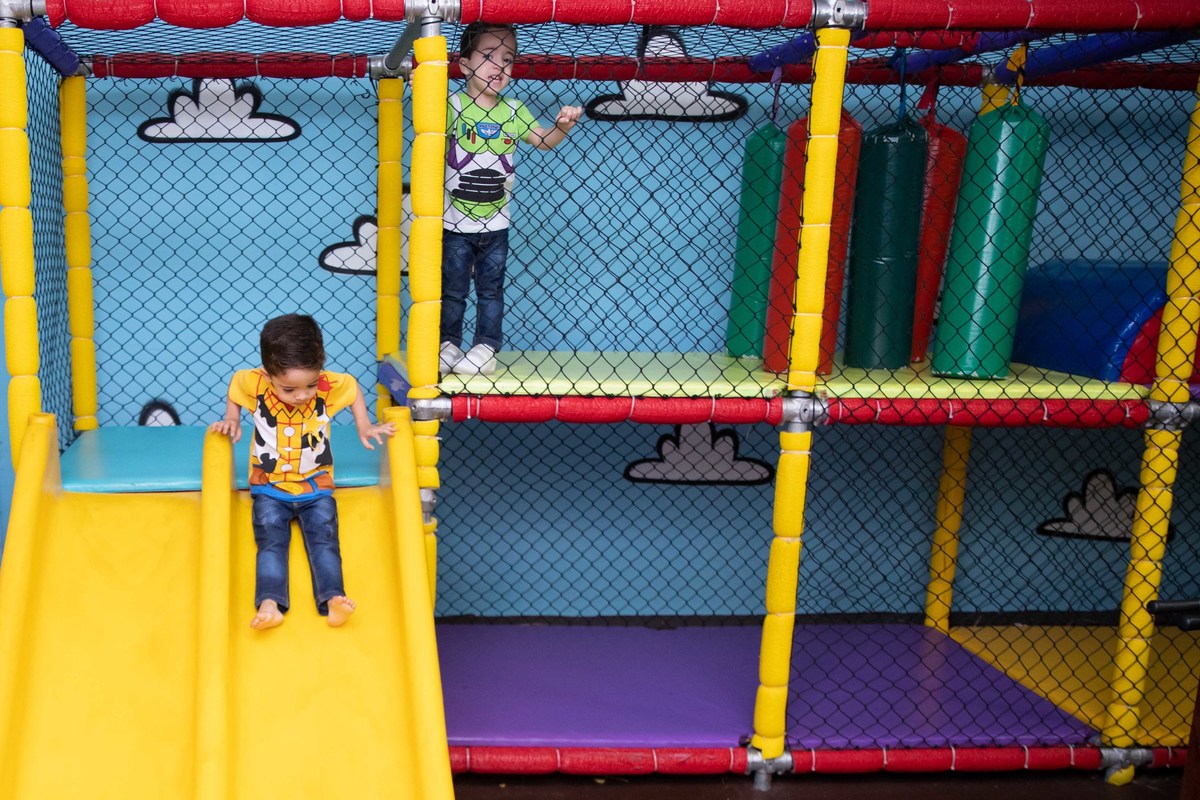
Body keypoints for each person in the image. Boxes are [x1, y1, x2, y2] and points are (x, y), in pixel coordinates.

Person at [209, 314, 395, 630]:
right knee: (270, 543)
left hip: (316, 486)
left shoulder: (326, 385)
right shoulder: (253, 382)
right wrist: (232, 418)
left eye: (310, 385)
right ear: (268, 374)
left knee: (325, 541)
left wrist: (364, 424)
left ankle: (333, 599)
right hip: (270, 487)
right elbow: (236, 387)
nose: (303, 395)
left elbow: (351, 388)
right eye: (290, 388)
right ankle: (270, 604)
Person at [440, 22, 583, 376]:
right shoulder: (452, 105)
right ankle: (448, 344)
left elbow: (543, 140)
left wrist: (562, 127)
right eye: (488, 56)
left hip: (496, 224)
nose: (499, 66)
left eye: (507, 58)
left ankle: (486, 347)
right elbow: (426, 125)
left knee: (490, 291)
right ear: (465, 64)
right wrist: (424, 89)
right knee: (452, 290)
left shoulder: (514, 110)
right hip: (454, 223)